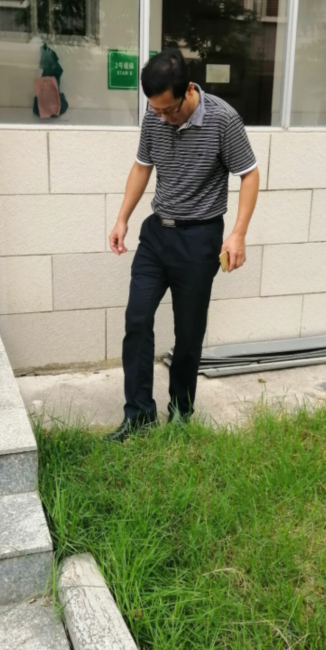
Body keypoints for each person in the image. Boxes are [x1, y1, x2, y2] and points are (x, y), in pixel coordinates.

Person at [107, 49, 259, 441]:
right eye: (155, 110)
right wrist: (122, 218)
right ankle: (139, 417)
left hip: (199, 239)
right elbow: (142, 166)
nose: (162, 118)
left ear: (189, 90)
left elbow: (249, 174)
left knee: (188, 332)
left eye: (168, 110)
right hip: (156, 234)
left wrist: (238, 233)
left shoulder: (223, 119)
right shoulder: (155, 115)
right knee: (137, 319)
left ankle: (180, 413)